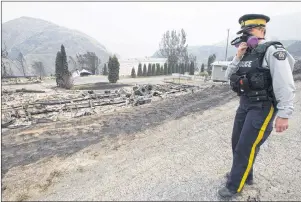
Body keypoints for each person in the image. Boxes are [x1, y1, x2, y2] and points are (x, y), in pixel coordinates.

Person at [218, 14, 296, 198]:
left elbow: (284, 82)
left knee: (246, 145)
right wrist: (237, 57)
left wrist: (284, 114)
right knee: (237, 142)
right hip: (245, 104)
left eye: (249, 32)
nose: (245, 37)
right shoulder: (245, 52)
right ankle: (246, 175)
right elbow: (227, 76)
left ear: (262, 30)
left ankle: (234, 185)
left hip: (263, 106)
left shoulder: (273, 50)